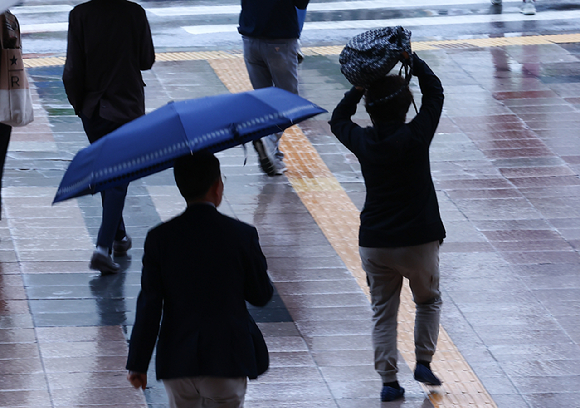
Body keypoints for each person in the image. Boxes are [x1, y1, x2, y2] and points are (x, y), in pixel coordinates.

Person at [329, 52, 445, 402]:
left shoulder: (365, 141)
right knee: (427, 301)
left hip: (376, 241)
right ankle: (423, 360)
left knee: (383, 312)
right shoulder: (416, 135)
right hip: (419, 239)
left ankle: (388, 382)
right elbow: (435, 93)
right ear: (406, 107)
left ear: (370, 110)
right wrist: (414, 60)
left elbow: (337, 120)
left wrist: (358, 87)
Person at [126, 152, 274, 408]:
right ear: (217, 186)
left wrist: (138, 363)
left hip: (178, 359)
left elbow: (150, 304)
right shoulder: (241, 235)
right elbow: (260, 295)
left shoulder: (159, 238)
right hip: (227, 358)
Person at [62, 0, 155, 274]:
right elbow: (146, 61)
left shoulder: (80, 15)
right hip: (127, 106)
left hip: (93, 110)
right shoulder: (134, 13)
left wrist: (81, 107)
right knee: (118, 177)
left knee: (109, 171)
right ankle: (102, 248)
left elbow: (71, 71)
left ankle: (118, 236)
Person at [238, 0, 309, 176]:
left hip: (250, 38)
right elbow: (301, 3)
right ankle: (268, 141)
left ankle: (274, 158)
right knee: (291, 102)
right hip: (279, 39)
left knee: (264, 101)